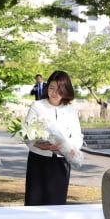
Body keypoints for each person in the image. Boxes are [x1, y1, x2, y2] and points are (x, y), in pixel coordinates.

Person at [24, 70, 83, 206]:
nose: (54, 93)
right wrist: (40, 145)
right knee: (34, 201)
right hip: (38, 160)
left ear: (66, 90)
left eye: (59, 89)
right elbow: (27, 134)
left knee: (57, 202)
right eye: (51, 88)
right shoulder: (37, 106)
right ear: (46, 88)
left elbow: (77, 135)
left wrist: (72, 148)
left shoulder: (70, 109)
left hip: (61, 162)